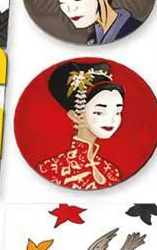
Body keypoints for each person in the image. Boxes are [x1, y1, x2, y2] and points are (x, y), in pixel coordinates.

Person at [36, 61, 124, 189]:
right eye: (99, 112)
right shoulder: (50, 169)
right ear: (75, 115)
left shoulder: (111, 170)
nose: (111, 120)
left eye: (117, 112)